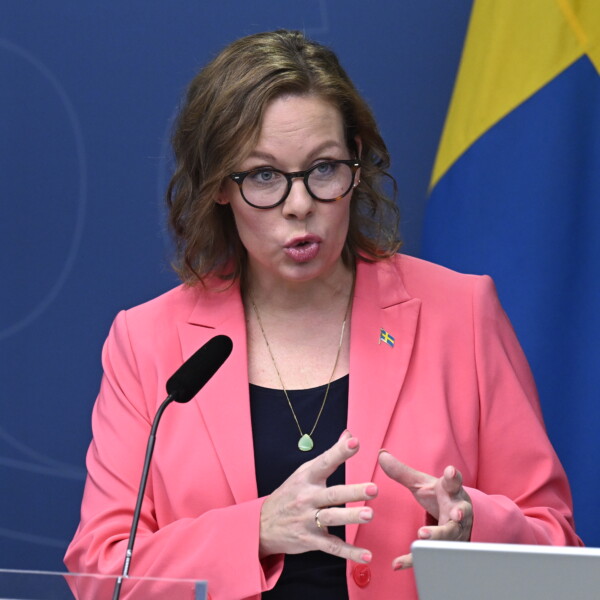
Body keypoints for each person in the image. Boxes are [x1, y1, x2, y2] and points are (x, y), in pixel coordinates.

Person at [64, 29, 581, 599]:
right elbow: (100, 574)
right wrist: (255, 531)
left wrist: (475, 527)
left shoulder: (461, 313)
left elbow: (557, 549)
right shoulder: (147, 341)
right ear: (219, 187)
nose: (300, 204)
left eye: (324, 168)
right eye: (263, 175)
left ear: (356, 163)